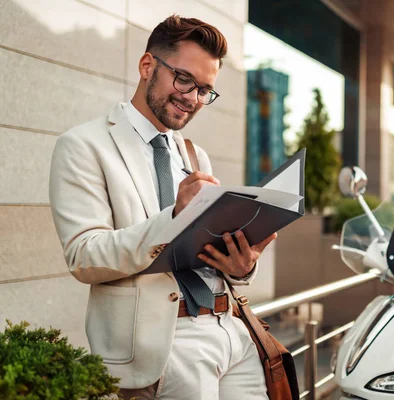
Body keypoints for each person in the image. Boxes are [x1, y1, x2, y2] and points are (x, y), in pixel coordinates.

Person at [49, 15, 274, 399]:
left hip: (231, 332)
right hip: (165, 344)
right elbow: (84, 256)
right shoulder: (84, 145)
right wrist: (173, 217)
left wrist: (240, 265)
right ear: (147, 66)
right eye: (184, 79)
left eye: (205, 89)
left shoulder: (194, 153)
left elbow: (200, 250)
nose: (192, 98)